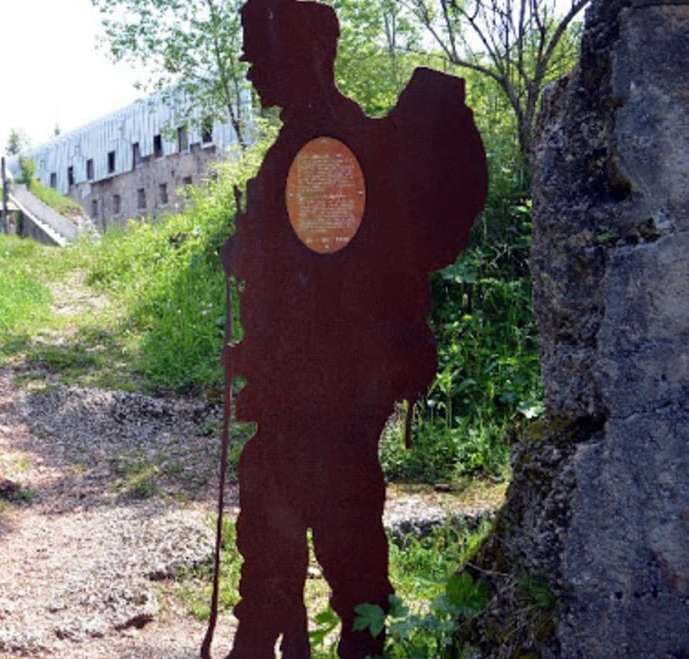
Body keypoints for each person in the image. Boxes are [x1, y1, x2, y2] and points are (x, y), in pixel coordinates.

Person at [221, 1, 487, 657]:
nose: (252, 69)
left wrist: (257, 261)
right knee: (321, 531)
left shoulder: (325, 150)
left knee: (312, 530)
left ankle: (309, 641)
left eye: (262, 55)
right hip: (324, 391)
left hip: (322, 396)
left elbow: (321, 284)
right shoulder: (320, 144)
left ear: (306, 53)